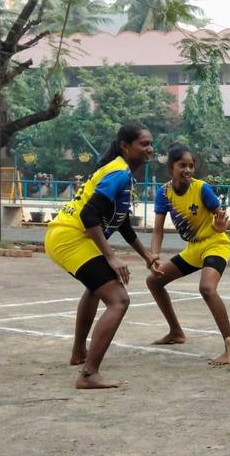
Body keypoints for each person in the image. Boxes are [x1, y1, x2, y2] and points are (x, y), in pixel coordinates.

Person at [44, 122, 163, 389]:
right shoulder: (119, 173)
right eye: (144, 144)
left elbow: (120, 221)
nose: (150, 149)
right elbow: (89, 215)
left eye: (151, 144)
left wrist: (146, 255)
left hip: (66, 236)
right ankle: (89, 374)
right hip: (70, 238)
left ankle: (79, 352)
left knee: (96, 289)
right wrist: (111, 256)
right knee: (119, 300)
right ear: (125, 146)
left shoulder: (121, 173)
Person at [145, 144, 230, 366]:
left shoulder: (202, 189)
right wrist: (154, 256)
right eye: (182, 166)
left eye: (191, 166)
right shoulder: (164, 193)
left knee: (207, 288)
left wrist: (219, 227)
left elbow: (224, 221)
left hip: (215, 244)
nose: (188, 170)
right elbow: (157, 230)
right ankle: (176, 332)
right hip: (193, 249)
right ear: (171, 167)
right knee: (154, 281)